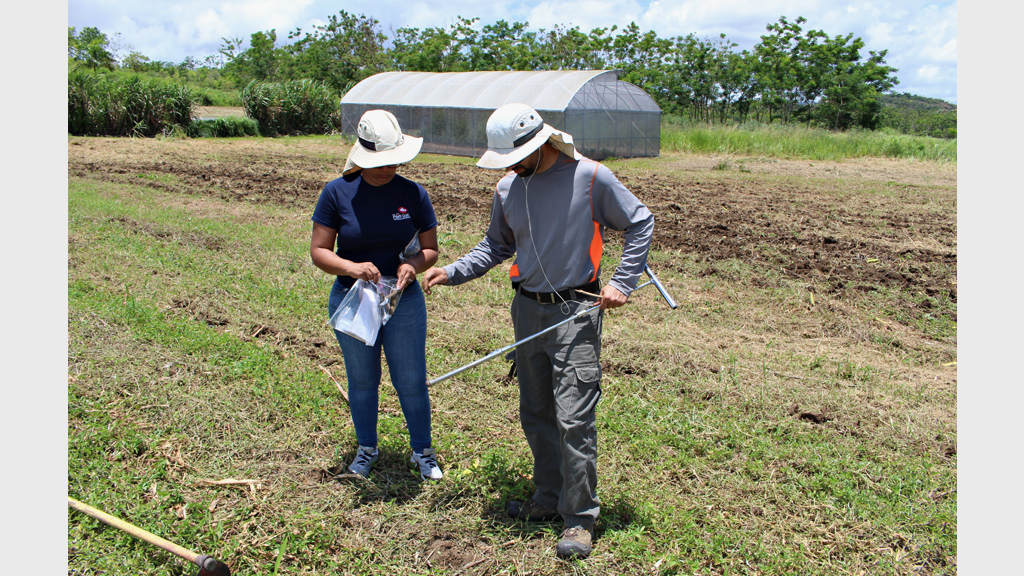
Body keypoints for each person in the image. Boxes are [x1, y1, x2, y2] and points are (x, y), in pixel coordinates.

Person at [421, 103, 654, 558]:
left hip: (575, 312)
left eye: (516, 156)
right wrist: (452, 271)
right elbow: (496, 245)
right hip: (527, 310)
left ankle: (580, 519)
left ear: (540, 143)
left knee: (574, 419)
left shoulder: (591, 178)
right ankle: (548, 498)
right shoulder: (508, 187)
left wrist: (622, 282)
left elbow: (640, 221)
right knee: (536, 412)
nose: (510, 165)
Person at [310, 109, 443, 481]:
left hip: (402, 299)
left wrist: (412, 266)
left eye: (393, 162)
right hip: (355, 300)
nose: (388, 170)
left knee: (411, 379)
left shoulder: (413, 194)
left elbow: (431, 249)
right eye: (380, 163)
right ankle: (366, 449)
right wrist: (352, 268)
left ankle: (423, 453)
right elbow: (319, 250)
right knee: (363, 380)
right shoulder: (337, 193)